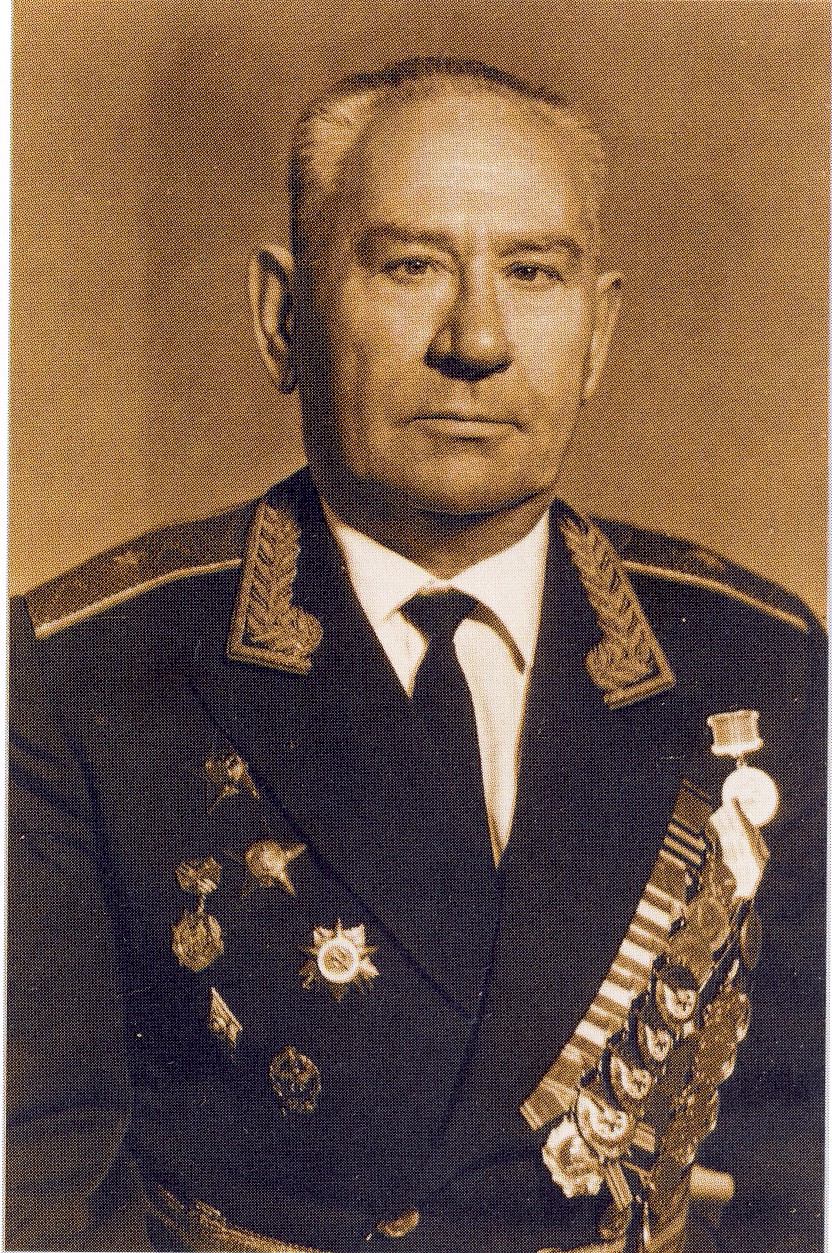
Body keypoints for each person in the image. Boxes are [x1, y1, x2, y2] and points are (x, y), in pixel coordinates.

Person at [7, 57, 825, 1253]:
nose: (477, 338)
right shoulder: (86, 672)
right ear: (283, 316)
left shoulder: (757, 661)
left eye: (531, 272)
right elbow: (32, 1188)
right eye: (410, 264)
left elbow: (803, 1164)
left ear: (597, 333)